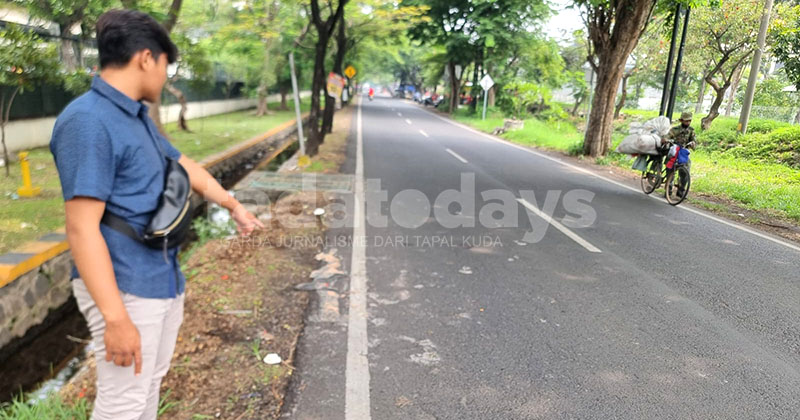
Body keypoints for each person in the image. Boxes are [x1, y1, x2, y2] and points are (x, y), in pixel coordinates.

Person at [49, 9, 264, 420]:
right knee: (123, 403)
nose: (166, 76)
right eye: (167, 65)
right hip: (126, 286)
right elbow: (80, 228)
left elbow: (185, 166)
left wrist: (234, 206)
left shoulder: (134, 116)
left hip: (161, 275)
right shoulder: (88, 121)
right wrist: (115, 317)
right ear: (146, 58)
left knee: (147, 387)